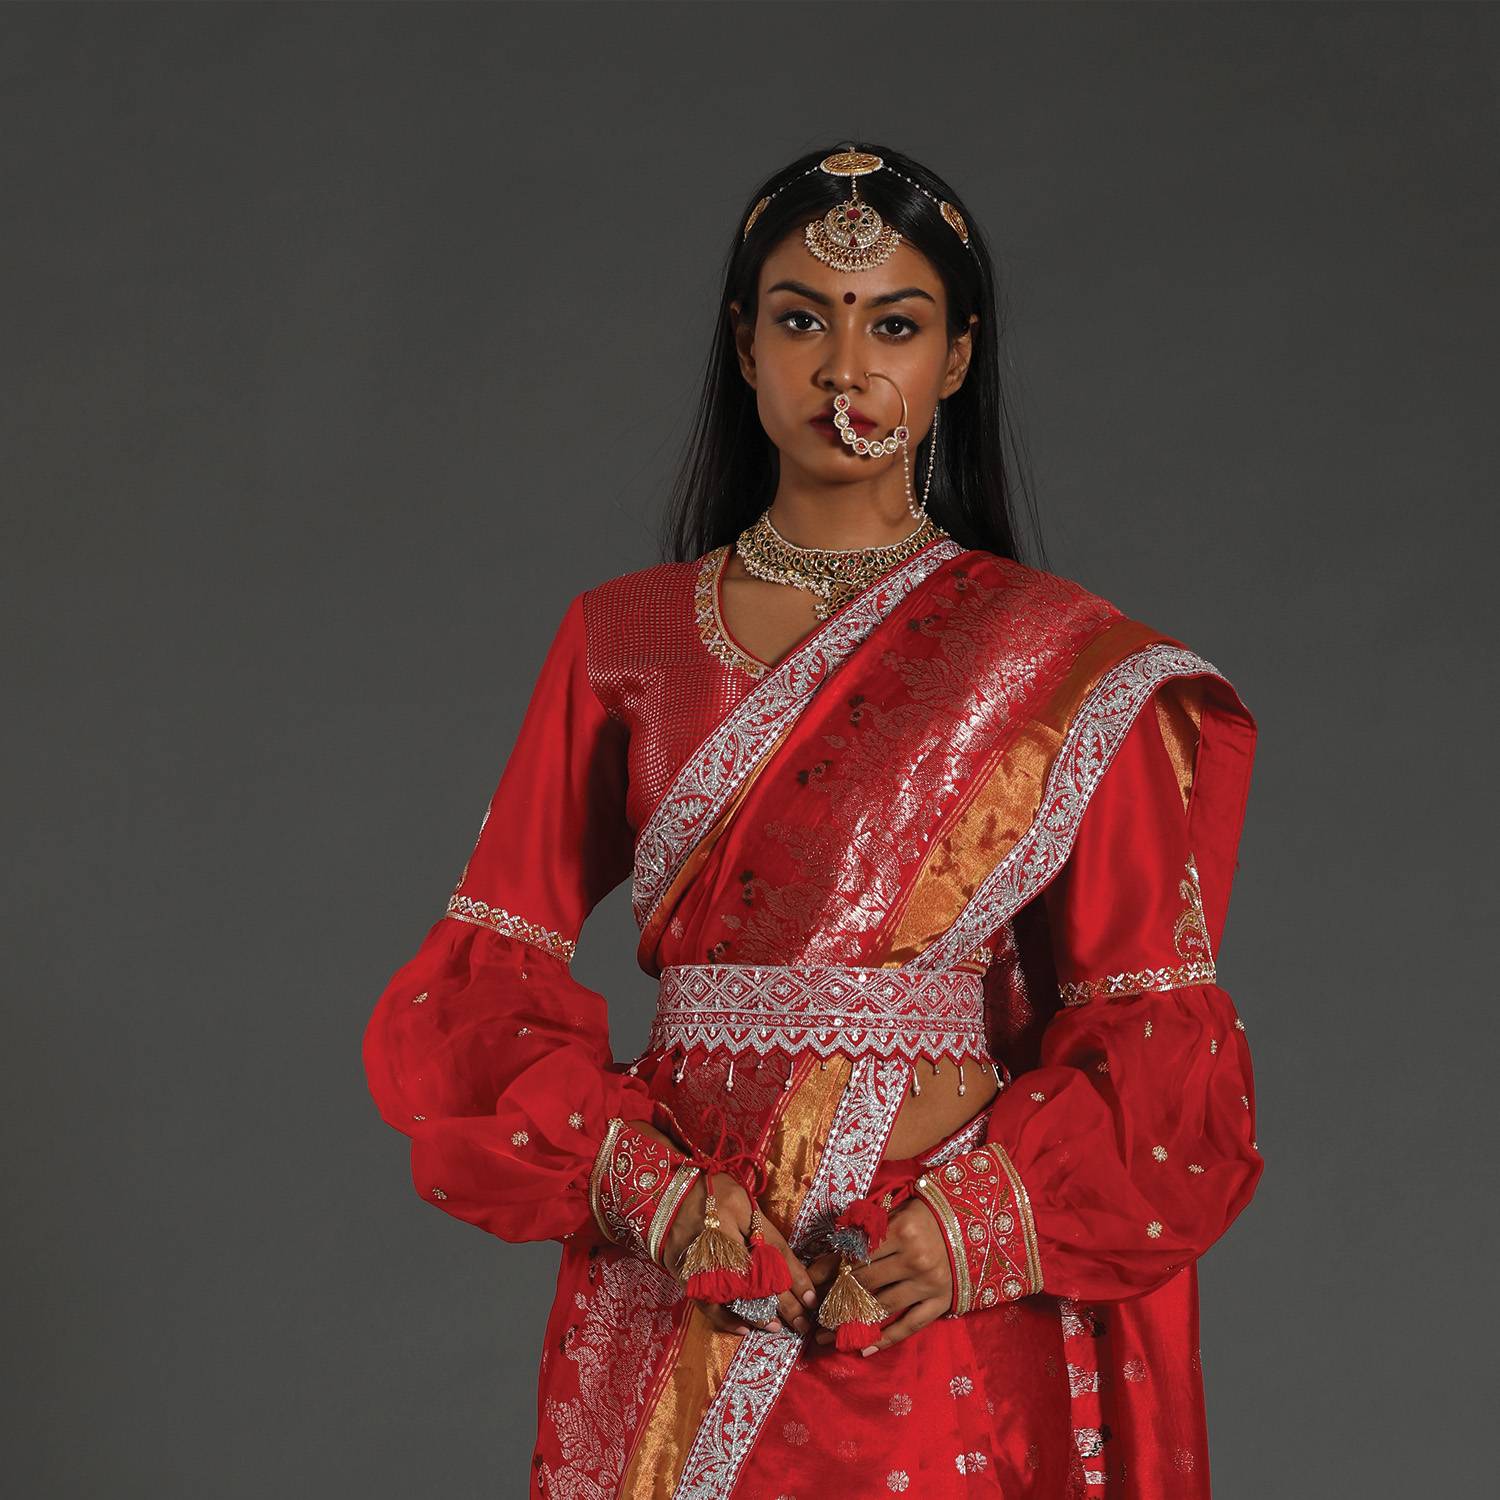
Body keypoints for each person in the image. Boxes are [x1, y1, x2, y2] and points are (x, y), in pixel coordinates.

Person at [362, 142, 1262, 1499]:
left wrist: (978, 1229)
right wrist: (647, 1189)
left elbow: (1155, 1036)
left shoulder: (1054, 657)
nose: (847, 373)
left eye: (895, 326)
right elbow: (480, 982)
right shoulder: (625, 639)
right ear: (745, 345)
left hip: (923, 1287)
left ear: (957, 357)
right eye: (802, 322)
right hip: (685, 1286)